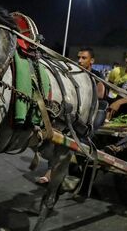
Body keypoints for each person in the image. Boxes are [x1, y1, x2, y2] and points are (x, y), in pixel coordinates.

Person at [37, 47, 105, 185]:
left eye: (84, 58)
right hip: (74, 112)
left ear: (92, 61)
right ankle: (53, 170)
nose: (79, 61)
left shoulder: (96, 76)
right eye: (78, 57)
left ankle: (65, 169)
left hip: (93, 111)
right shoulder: (72, 73)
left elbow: (100, 95)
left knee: (83, 136)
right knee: (60, 138)